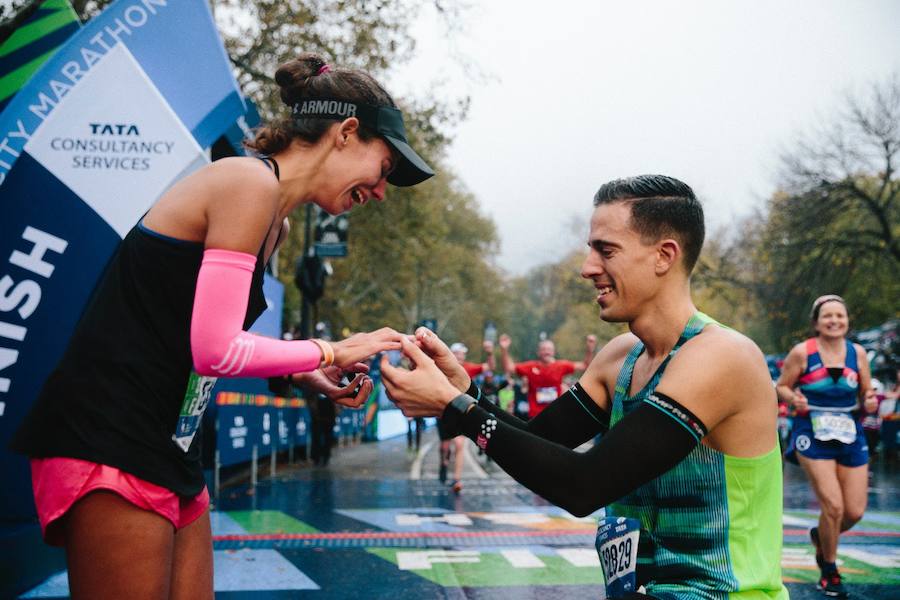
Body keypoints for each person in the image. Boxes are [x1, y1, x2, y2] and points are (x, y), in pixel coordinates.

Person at [10, 52, 432, 599]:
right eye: (385, 169)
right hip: (108, 434)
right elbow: (215, 349)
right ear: (346, 132)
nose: (379, 192)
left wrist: (303, 372)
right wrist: (329, 350)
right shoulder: (246, 184)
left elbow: (198, 333)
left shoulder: (275, 223)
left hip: (170, 439)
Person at [382, 175, 788, 599]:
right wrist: (466, 393)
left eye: (606, 251)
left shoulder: (722, 356)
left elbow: (583, 486)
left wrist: (456, 408)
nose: (587, 268)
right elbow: (540, 442)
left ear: (664, 256)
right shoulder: (621, 357)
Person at [776, 294, 877, 598]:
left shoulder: (857, 353)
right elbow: (782, 387)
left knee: (854, 511)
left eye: (840, 316)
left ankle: (821, 536)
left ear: (847, 321)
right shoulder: (802, 352)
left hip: (850, 432)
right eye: (828, 316)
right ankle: (829, 570)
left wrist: (870, 400)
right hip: (811, 431)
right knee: (833, 506)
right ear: (816, 323)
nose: (834, 321)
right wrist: (794, 398)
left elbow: (866, 392)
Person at [437, 341, 495, 492]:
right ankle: (443, 464)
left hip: (461, 409)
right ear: (451, 354)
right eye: (457, 353)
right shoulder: (441, 366)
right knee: (444, 447)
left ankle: (457, 479)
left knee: (459, 444)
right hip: (443, 409)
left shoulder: (468, 368)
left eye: (462, 354)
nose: (460, 356)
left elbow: (489, 367)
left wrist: (490, 353)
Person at [499, 333, 597, 418]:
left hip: (556, 413)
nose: (546, 352)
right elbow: (509, 368)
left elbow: (584, 366)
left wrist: (590, 350)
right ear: (538, 352)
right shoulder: (530, 367)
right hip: (535, 416)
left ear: (553, 352)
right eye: (543, 349)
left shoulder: (561, 366)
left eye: (549, 349)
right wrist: (504, 349)